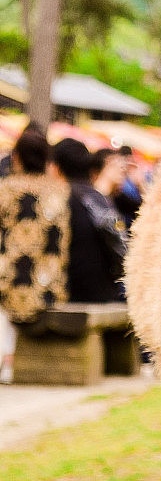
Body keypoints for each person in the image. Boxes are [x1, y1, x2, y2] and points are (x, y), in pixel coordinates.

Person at [0, 127, 70, 383]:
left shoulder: (6, 189)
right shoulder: (59, 192)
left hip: (8, 280)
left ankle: (7, 359)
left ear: (17, 157)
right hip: (47, 284)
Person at [50, 138, 127, 303]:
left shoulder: (61, 198)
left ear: (56, 167)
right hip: (107, 293)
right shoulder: (99, 198)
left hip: (74, 297)